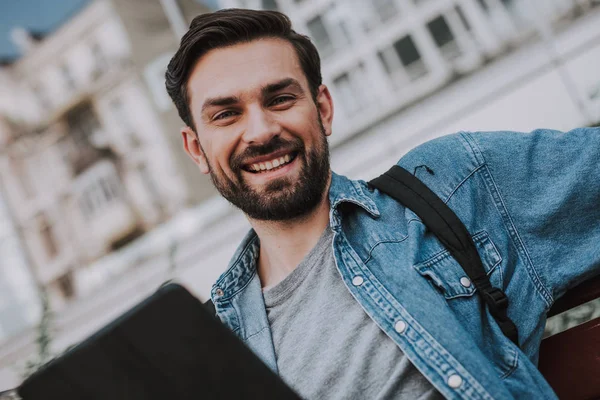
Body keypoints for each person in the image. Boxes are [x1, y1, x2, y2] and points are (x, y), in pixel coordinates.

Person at [165, 8, 600, 399]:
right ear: (197, 150)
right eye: (226, 114)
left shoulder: (453, 185)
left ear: (324, 109)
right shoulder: (212, 345)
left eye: (280, 99)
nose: (260, 131)